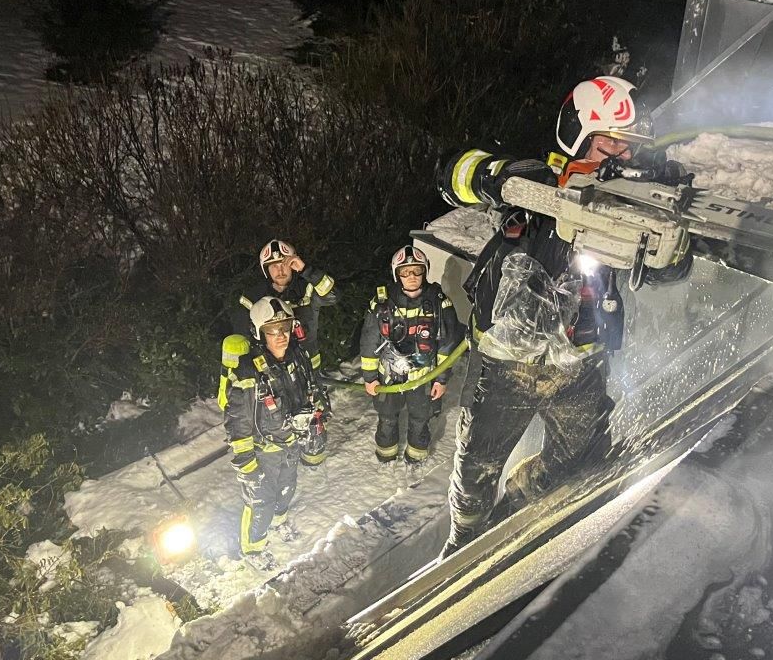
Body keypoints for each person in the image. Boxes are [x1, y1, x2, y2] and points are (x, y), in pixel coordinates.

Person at [436, 76, 692, 557]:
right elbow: (451, 173)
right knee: (475, 470)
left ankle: (523, 502)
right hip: (508, 366)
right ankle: (462, 545)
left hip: (580, 362)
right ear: (577, 135)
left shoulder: (636, 201)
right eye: (609, 140)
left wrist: (671, 251)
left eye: (629, 144)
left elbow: (663, 273)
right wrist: (499, 175)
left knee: (581, 459)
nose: (621, 153)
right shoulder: (537, 182)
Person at [219, 297, 330, 570]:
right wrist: (246, 462)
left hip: (290, 442)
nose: (281, 336)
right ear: (259, 332)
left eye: (285, 327)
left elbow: (311, 388)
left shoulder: (297, 356)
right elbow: (237, 420)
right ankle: (253, 548)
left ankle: (279, 523)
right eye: (272, 330)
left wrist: (316, 415)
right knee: (260, 503)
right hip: (262, 451)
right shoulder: (248, 372)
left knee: (286, 489)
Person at [359, 245, 462, 465]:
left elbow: (447, 345)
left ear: (425, 271)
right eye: (405, 272)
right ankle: (385, 458)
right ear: (397, 274)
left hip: (422, 378)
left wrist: (441, 380)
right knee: (387, 419)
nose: (412, 276)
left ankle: (415, 460)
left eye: (416, 270)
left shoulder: (439, 302)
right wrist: (369, 378)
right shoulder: (381, 303)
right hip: (388, 378)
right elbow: (369, 340)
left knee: (419, 420)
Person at [235, 239, 338, 372]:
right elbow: (244, 336)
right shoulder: (253, 298)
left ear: (293, 265)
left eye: (284, 264)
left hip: (307, 368)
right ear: (266, 270)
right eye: (274, 266)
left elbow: (334, 296)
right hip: (273, 374)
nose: (280, 270)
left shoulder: (308, 289)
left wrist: (306, 270)